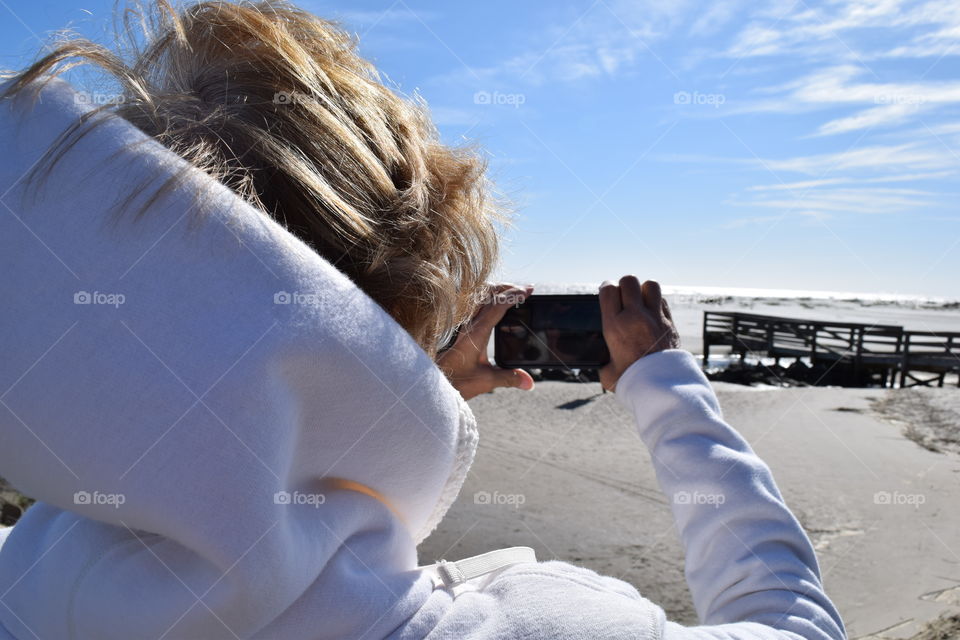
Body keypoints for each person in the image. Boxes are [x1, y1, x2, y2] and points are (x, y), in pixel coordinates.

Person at [0, 2, 845, 638]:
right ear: (404, 304)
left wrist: (369, 407)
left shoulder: (28, 571)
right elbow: (793, 624)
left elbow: (202, 393)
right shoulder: (532, 623)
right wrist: (665, 382)